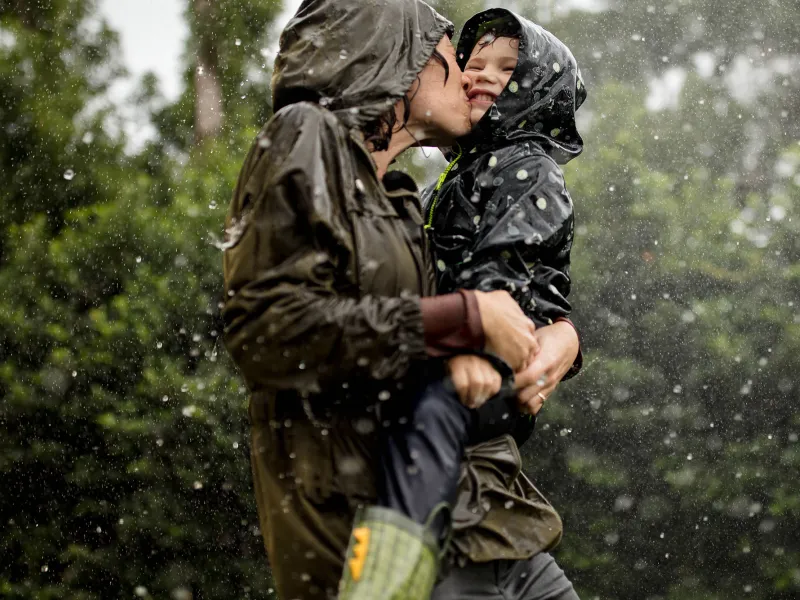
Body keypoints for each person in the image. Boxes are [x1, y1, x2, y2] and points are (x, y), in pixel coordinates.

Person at [222, 1, 580, 598]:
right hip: (387, 552)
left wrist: (562, 333)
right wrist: (464, 319)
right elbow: (268, 329)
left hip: (497, 529)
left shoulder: (403, 198)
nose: (465, 75)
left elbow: (486, 304)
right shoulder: (307, 132)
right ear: (398, 66)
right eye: (448, 58)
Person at [427, 8, 588, 599]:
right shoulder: (459, 176)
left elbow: (508, 270)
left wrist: (476, 346)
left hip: (476, 408)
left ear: (539, 90)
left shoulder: (527, 169)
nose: (479, 75)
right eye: (472, 63)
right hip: (460, 456)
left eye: (507, 69)